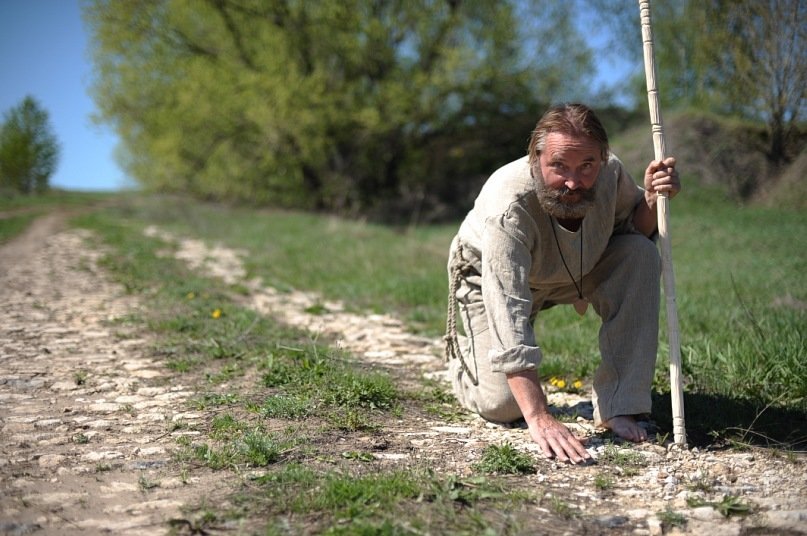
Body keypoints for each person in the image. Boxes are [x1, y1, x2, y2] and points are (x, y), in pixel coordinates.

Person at [444, 103, 680, 464]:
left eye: (586, 166)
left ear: (602, 158)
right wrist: (539, 416)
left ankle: (620, 405)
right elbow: (508, 312)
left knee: (640, 254)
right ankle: (465, 361)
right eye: (559, 166)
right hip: (485, 275)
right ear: (536, 157)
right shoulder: (508, 205)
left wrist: (651, 197)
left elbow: (635, 229)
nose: (573, 182)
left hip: (574, 267)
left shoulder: (611, 175)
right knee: (505, 406)